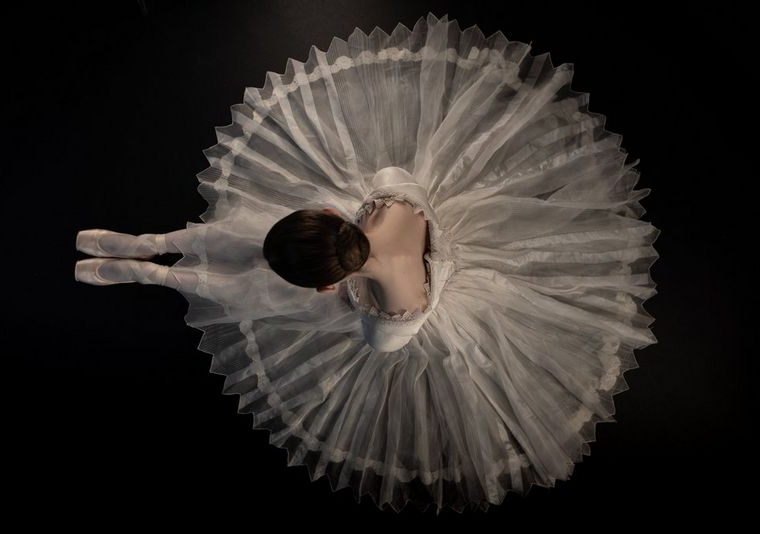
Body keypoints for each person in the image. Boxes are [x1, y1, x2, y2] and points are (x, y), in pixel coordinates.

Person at [74, 12, 660, 513]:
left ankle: (153, 269)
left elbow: (382, 323)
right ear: (332, 221)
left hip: (353, 261)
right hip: (347, 257)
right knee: (242, 247)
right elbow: (381, 324)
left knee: (248, 272)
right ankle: (151, 244)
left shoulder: (396, 262)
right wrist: (347, 282)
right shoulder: (391, 242)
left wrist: (348, 283)